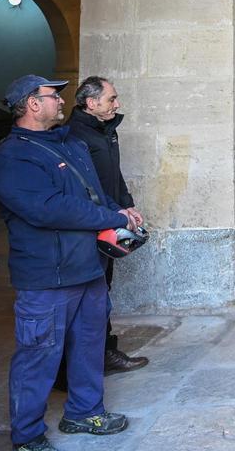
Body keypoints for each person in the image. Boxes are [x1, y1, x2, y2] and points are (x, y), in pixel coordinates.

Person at [0, 75, 134, 451]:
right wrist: (110, 219)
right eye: (53, 96)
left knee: (89, 345)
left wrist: (116, 209)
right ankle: (28, 435)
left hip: (87, 267)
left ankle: (84, 412)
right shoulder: (12, 156)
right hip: (46, 276)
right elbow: (48, 208)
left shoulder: (70, 142)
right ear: (32, 104)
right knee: (38, 355)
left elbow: (93, 192)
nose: (61, 101)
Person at [66, 76, 149, 374]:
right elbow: (84, 187)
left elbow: (114, 173)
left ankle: (103, 353)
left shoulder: (107, 130)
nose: (117, 103)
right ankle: (88, 359)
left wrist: (126, 203)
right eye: (112, 99)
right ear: (91, 103)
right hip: (93, 223)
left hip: (112, 218)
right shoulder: (74, 136)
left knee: (103, 287)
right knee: (91, 291)